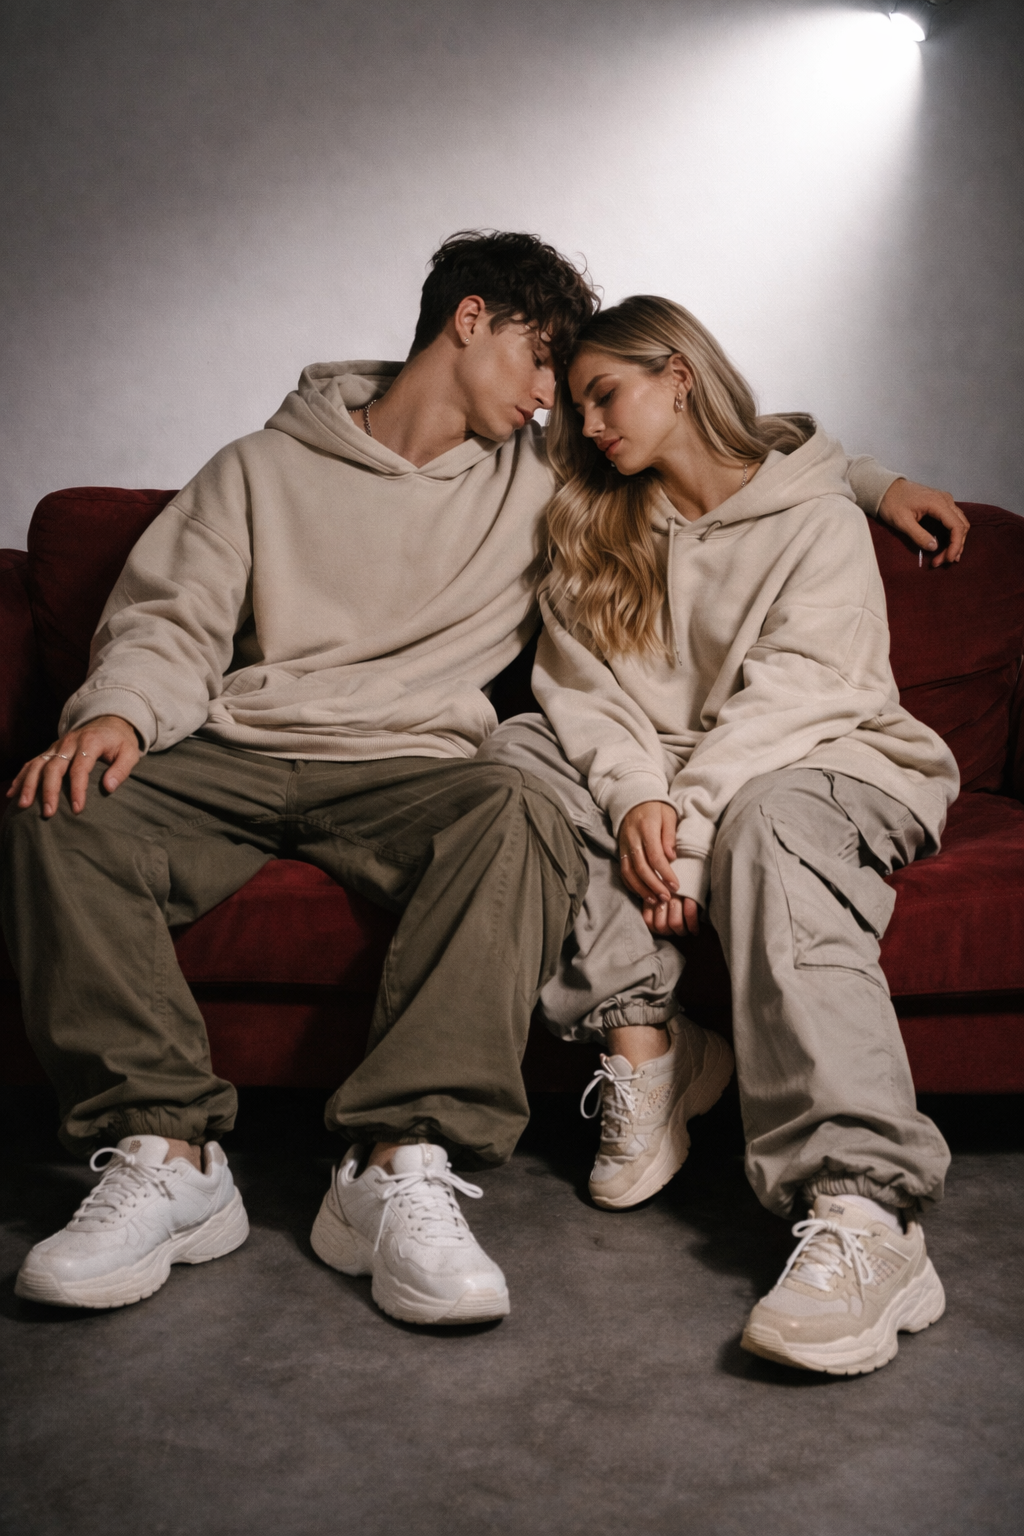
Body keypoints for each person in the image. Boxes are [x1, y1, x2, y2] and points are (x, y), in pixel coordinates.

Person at [2, 234, 966, 1331]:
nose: (561, 400)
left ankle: (401, 1159)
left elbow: (723, 455)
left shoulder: (548, 467)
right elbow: (172, 619)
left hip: (415, 765)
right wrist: (121, 711)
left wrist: (870, 479)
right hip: (245, 743)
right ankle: (166, 1155)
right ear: (471, 321)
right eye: (545, 362)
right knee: (56, 810)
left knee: (514, 807)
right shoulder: (257, 470)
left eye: (579, 383)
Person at [478, 294, 962, 1374]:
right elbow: (580, 688)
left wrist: (684, 832)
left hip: (824, 756)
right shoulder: (590, 524)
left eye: (606, 396)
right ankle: (646, 1046)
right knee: (515, 758)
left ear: (679, 376)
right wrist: (636, 795)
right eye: (576, 410)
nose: (590, 426)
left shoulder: (817, 518)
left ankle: (866, 1213)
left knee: (765, 829)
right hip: (664, 769)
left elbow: (798, 696)